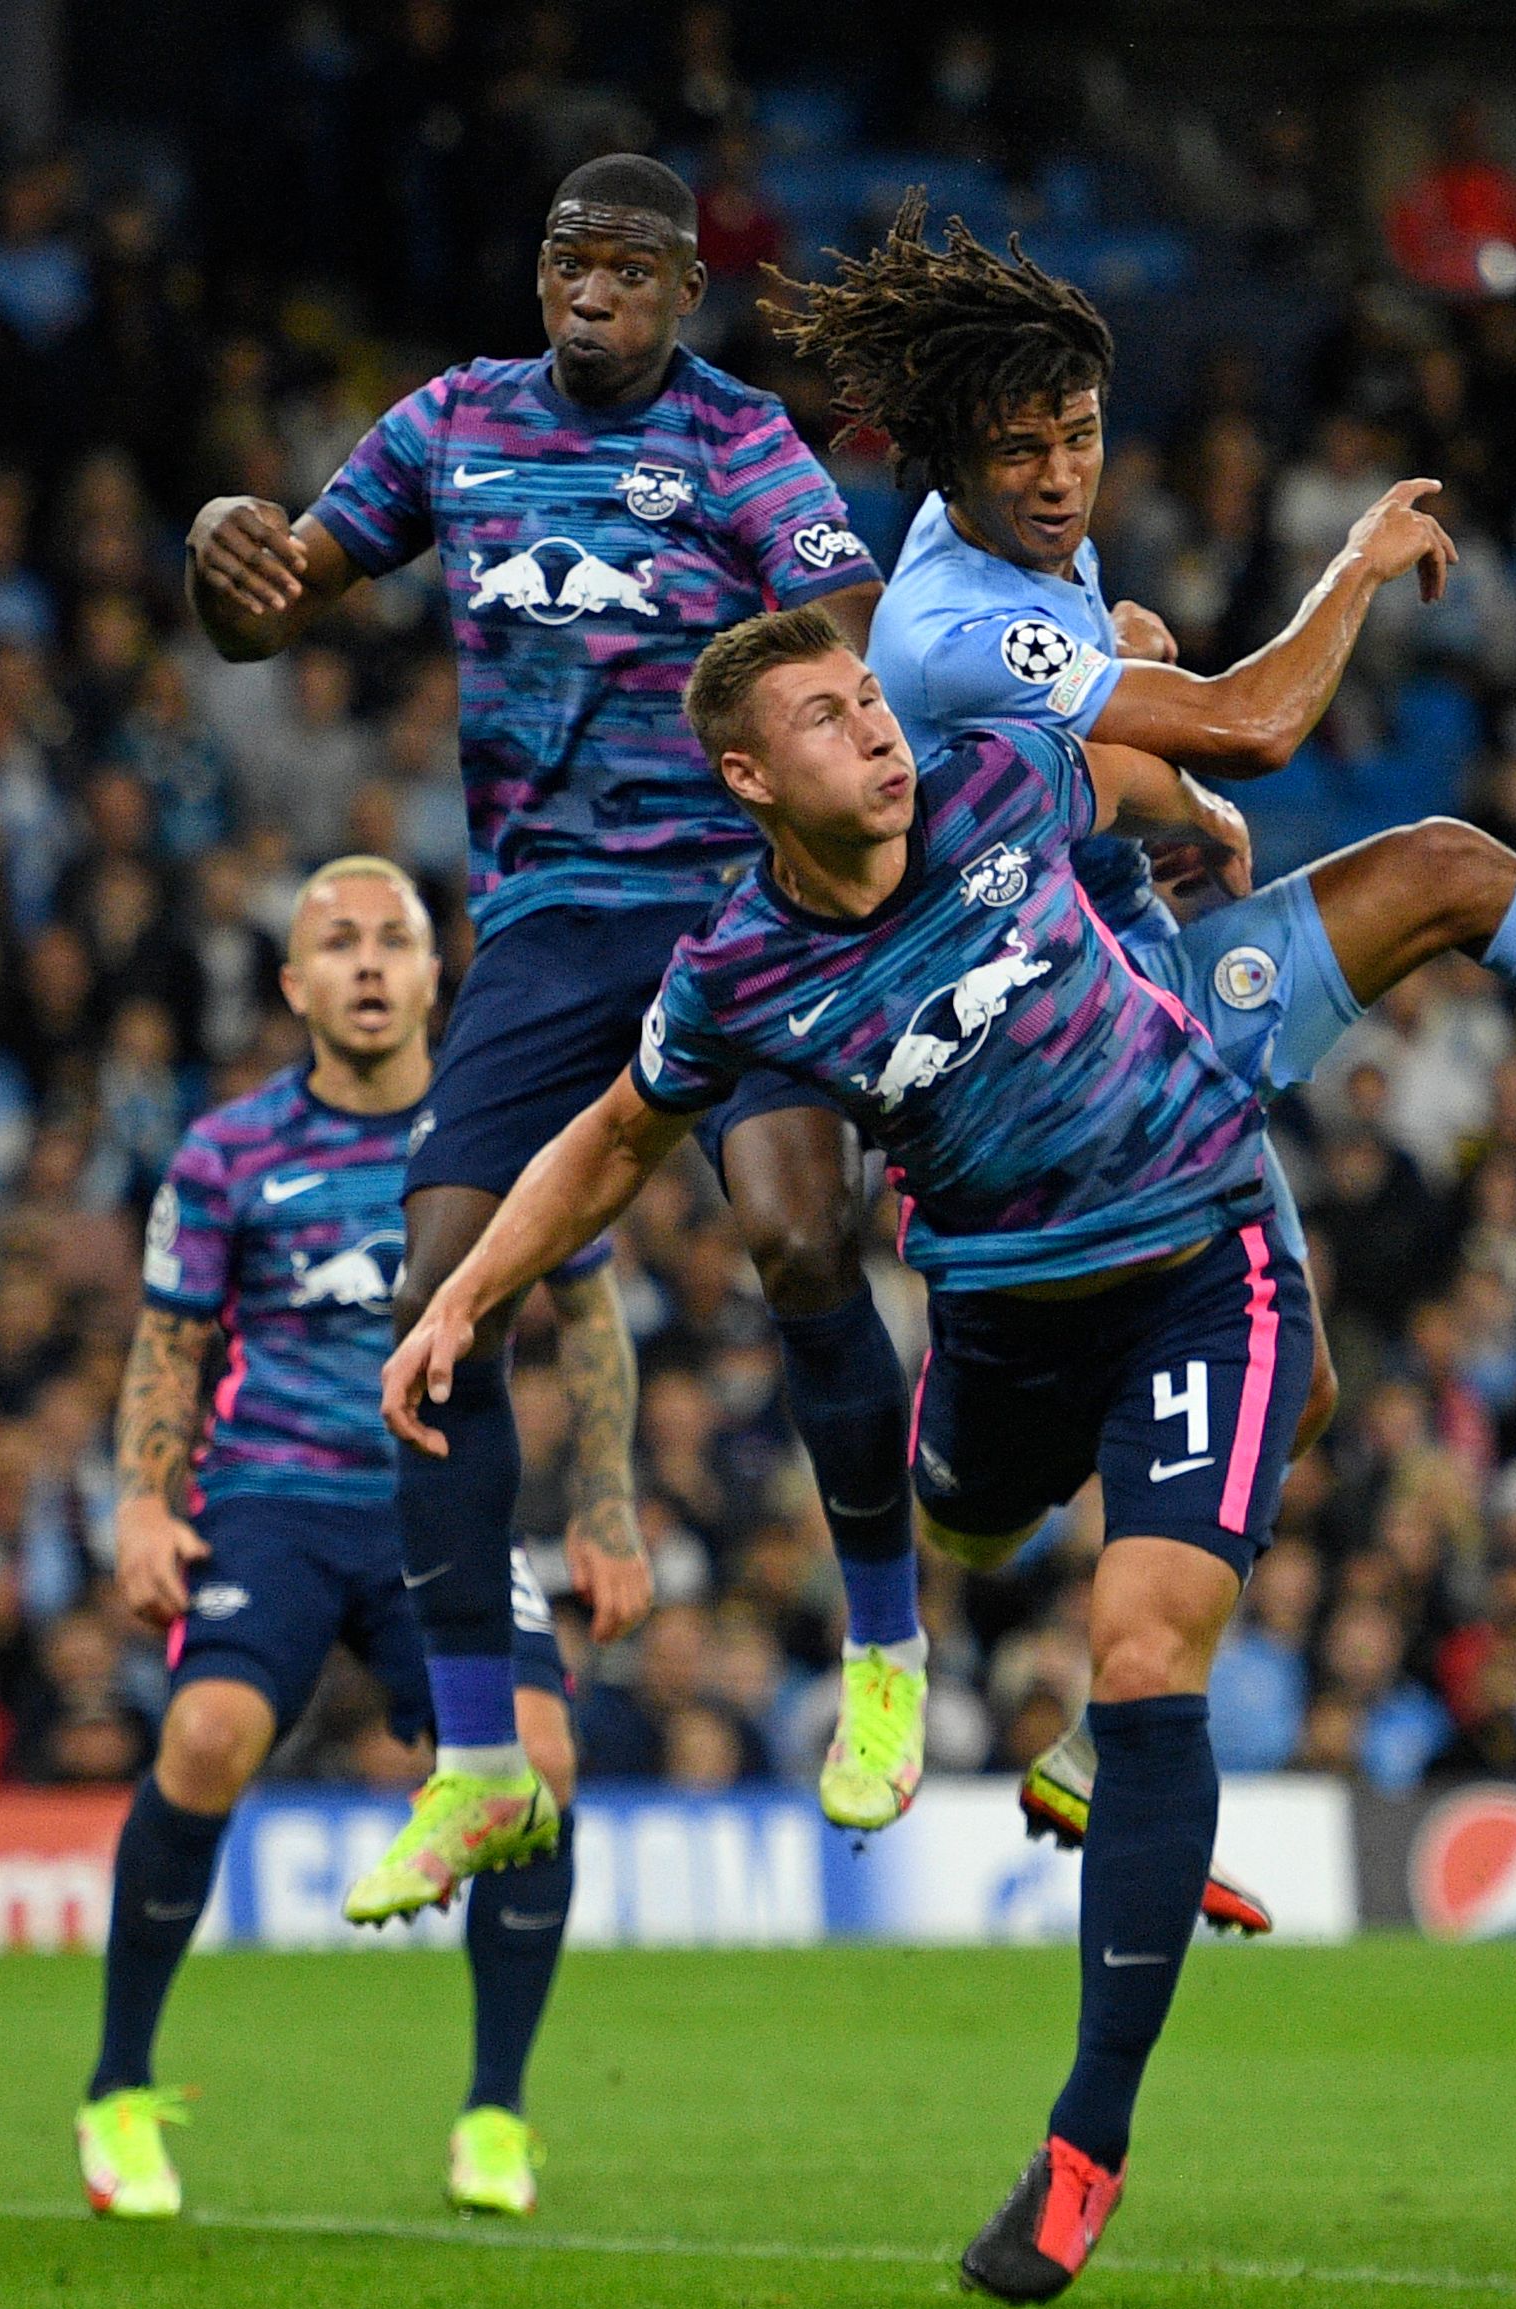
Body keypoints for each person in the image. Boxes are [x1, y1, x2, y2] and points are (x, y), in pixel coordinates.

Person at [378, 603, 1516, 2305]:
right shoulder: (737, 971)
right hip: (996, 1318)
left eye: (869, 697)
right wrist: (463, 1300)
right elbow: (617, 1138)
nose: (873, 727)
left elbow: (1158, 762)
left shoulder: (998, 776)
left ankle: (1084, 2146)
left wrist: (1186, 801)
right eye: (829, 716)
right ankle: (955, 1611)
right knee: (970, 1521)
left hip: (1196, 1269)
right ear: (746, 775)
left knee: (1145, 1651)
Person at [773, 200, 1516, 1850]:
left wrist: (1163, 781)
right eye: (1019, 450)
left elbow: (1086, 763)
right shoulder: (951, 613)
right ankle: (1026, 1606)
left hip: (1120, 996)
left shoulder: (1028, 564)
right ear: (945, 461)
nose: (1060, 475)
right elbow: (1265, 719)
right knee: (996, 1508)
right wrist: (1339, 577)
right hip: (1030, 1081)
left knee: (1432, 892)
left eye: (1078, 436)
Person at [183, 155, 929, 1927]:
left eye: (624, 268)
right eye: (563, 262)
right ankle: (477, 1761)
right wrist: (228, 562)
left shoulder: (745, 446)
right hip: (541, 923)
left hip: (735, 905)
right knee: (435, 1295)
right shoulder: (451, 423)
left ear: (683, 289)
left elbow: (848, 638)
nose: (587, 291)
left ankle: (884, 1650)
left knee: (798, 1238)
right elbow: (267, 601)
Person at [85, 857, 637, 2225]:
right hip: (271, 1497)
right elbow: (167, 1342)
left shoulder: (504, 1126)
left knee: (544, 1763)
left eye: (395, 938)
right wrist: (143, 1499)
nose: (371, 963)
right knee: (205, 1738)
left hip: (441, 1500)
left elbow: (593, 1321)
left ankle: (495, 2113)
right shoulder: (225, 1152)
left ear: (438, 974)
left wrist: (607, 1507)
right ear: (293, 986)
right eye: (338, 943)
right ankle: (117, 2090)